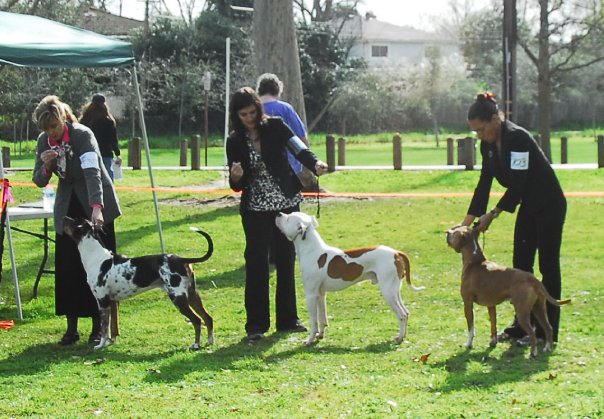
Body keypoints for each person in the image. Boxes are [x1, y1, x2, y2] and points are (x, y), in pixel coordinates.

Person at [461, 92, 567, 346]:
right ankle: (522, 324)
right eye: (475, 131)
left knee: (547, 266)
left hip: (550, 204)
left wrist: (493, 214)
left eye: (481, 129)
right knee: (521, 264)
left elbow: (518, 184)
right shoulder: (487, 146)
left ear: (496, 119)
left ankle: (546, 330)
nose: (479, 135)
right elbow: (484, 184)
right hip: (529, 206)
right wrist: (467, 222)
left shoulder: (517, 138)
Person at [226, 87, 328, 341]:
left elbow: (298, 148)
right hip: (255, 209)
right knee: (257, 264)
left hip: (285, 204)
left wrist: (315, 163)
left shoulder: (277, 126)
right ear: (236, 116)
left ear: (259, 109)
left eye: (252, 112)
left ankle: (288, 320)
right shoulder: (234, 141)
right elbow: (236, 184)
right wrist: (235, 177)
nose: (249, 118)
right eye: (243, 114)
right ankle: (256, 326)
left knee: (286, 260)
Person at [32, 95, 122, 346]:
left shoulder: (82, 135)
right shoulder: (43, 141)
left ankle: (98, 328)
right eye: (47, 129)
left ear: (63, 118)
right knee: (69, 267)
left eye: (54, 126)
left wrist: (97, 208)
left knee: (98, 269)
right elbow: (38, 180)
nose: (52, 132)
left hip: (94, 200)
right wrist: (47, 166)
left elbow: (93, 173)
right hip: (68, 204)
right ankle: (71, 328)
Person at [80, 93, 122, 181]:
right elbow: (113, 140)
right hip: (105, 153)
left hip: (89, 153)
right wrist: (118, 154)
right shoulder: (108, 121)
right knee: (107, 180)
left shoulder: (85, 120)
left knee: (91, 179)